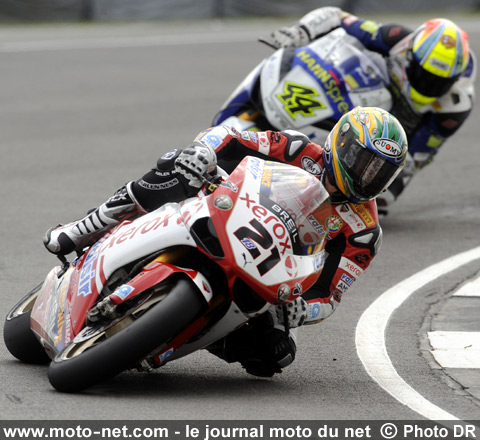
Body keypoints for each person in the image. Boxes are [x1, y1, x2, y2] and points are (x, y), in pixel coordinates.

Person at [44, 106, 408, 377]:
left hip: (270, 273)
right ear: (341, 144)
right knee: (174, 166)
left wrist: (303, 310)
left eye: (381, 172)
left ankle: (188, 332)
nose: (367, 176)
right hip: (227, 212)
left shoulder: (364, 231)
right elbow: (233, 138)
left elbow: (329, 294)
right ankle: (86, 226)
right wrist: (204, 151)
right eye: (363, 162)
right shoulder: (299, 150)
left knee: (275, 355)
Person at [260, 7, 476, 216]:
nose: (428, 84)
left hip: (403, 128)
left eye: (438, 82)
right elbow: (338, 17)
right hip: (372, 93)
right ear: (411, 55)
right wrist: (301, 31)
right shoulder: (396, 38)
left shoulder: (456, 104)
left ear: (454, 80)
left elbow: (420, 153)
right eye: (424, 73)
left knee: (379, 195)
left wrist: (399, 158)